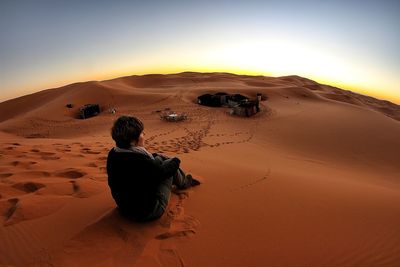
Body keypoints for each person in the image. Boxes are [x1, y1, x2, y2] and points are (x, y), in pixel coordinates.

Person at [107, 115, 200, 221]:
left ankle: (181, 179)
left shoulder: (114, 154)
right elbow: (163, 172)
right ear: (133, 141)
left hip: (125, 209)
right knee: (170, 164)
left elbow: (147, 171)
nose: (144, 134)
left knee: (160, 159)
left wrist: (158, 157)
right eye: (141, 133)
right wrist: (176, 160)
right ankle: (184, 183)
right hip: (149, 212)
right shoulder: (140, 162)